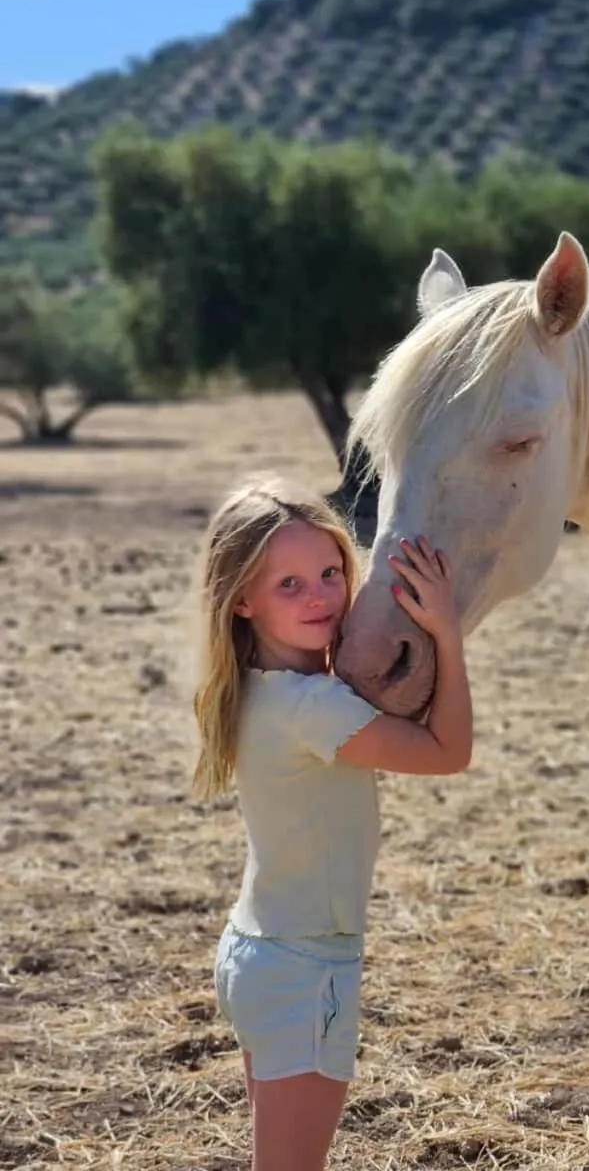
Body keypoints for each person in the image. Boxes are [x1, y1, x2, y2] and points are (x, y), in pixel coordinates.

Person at [191, 473, 473, 1171]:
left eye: (328, 572)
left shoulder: (261, 689)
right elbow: (448, 752)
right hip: (305, 971)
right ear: (243, 601)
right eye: (289, 585)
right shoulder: (315, 710)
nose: (318, 595)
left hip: (259, 951)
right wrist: (445, 631)